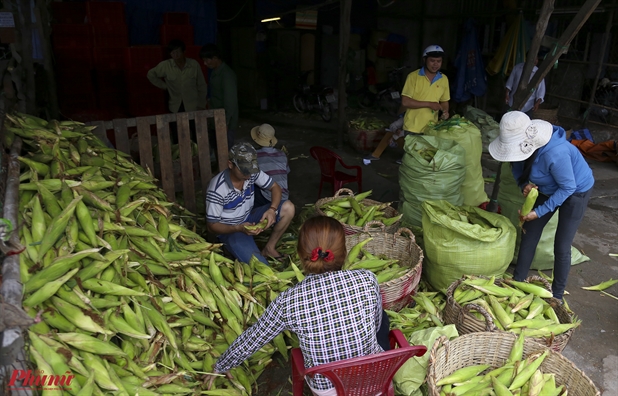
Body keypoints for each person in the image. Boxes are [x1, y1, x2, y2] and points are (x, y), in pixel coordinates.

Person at [210, 216, 390, 396]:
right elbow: (375, 322)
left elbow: (254, 338)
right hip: (373, 378)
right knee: (382, 317)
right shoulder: (366, 279)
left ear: (300, 255)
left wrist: (221, 365)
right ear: (344, 251)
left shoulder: (288, 301)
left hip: (328, 389)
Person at [488, 111, 594, 301]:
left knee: (561, 245)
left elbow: (567, 187)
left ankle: (557, 296)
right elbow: (518, 171)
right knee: (529, 231)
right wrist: (524, 186)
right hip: (546, 188)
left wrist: (539, 211)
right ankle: (518, 281)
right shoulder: (519, 152)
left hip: (575, 190)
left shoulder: (556, 152)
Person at [205, 142, 294, 264]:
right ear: (230, 164)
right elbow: (212, 225)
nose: (248, 174)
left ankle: (269, 248)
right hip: (231, 230)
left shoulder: (252, 172)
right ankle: (232, 247)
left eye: (251, 170)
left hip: (249, 217)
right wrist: (239, 228)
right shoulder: (217, 189)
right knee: (262, 267)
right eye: (244, 171)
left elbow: (275, 187)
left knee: (288, 207)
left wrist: (272, 210)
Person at [364, 45, 450, 164]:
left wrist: (445, 112)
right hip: (413, 125)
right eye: (432, 61)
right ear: (424, 60)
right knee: (412, 158)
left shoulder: (444, 79)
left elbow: (444, 101)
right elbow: (405, 101)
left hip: (431, 126)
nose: (435, 64)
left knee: (423, 159)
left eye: (438, 61)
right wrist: (429, 104)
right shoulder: (413, 77)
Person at [147, 39, 207, 114]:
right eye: (173, 52)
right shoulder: (166, 65)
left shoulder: (194, 64)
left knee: (193, 125)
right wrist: (164, 86)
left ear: (184, 52)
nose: (175, 54)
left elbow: (202, 86)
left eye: (178, 51)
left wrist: (201, 105)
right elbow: (151, 74)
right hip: (175, 106)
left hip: (193, 106)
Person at [200, 44, 238, 149]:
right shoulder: (215, 72)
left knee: (225, 150)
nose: (205, 63)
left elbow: (230, 102)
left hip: (224, 121)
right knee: (217, 147)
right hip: (216, 117)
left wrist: (225, 123)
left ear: (215, 58)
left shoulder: (227, 75)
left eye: (207, 60)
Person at [250, 123, 290, 206]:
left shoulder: (255, 156)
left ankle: (256, 210)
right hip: (284, 197)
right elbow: (286, 172)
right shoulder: (282, 154)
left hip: (269, 198)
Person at [505, 53, 546, 117]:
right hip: (513, 102)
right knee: (509, 121)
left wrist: (537, 103)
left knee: (525, 125)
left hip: (528, 106)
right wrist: (507, 94)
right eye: (533, 58)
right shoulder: (517, 68)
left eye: (536, 58)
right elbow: (509, 83)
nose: (535, 60)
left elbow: (541, 90)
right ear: (527, 59)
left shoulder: (538, 72)